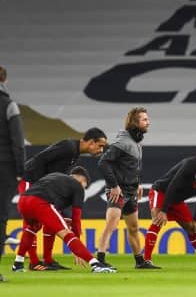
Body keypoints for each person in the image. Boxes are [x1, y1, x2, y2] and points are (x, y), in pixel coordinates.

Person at [15, 128, 107, 271]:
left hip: (43, 189)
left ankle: (48, 260)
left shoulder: (74, 155)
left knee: (50, 220)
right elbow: (40, 159)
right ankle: (33, 262)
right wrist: (40, 184)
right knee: (31, 224)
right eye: (100, 145)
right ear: (90, 142)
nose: (101, 150)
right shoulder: (68, 146)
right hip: (31, 180)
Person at [12, 167, 116, 273]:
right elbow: (76, 219)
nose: (84, 189)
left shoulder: (55, 175)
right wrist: (77, 249)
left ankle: (18, 263)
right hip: (40, 202)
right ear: (83, 181)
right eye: (85, 187)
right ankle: (95, 264)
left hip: (23, 201)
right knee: (66, 233)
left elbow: (52, 209)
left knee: (32, 228)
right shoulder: (78, 187)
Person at [142, 145, 196, 268]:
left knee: (192, 228)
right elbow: (173, 185)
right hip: (162, 192)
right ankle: (146, 260)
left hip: (177, 200)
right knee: (158, 219)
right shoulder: (191, 165)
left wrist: (195, 219)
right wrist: (163, 210)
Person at [96, 107, 149, 269]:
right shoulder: (123, 143)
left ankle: (140, 262)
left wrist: (137, 183)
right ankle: (100, 260)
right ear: (135, 122)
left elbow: (131, 167)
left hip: (131, 191)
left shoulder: (136, 143)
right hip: (118, 191)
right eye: (145, 120)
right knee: (111, 225)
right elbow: (103, 162)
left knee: (133, 227)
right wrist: (113, 186)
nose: (148, 122)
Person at [0, 66, 26, 282]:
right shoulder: (9, 105)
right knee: (0, 217)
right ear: (4, 80)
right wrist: (20, 171)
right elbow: (17, 142)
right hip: (4, 167)